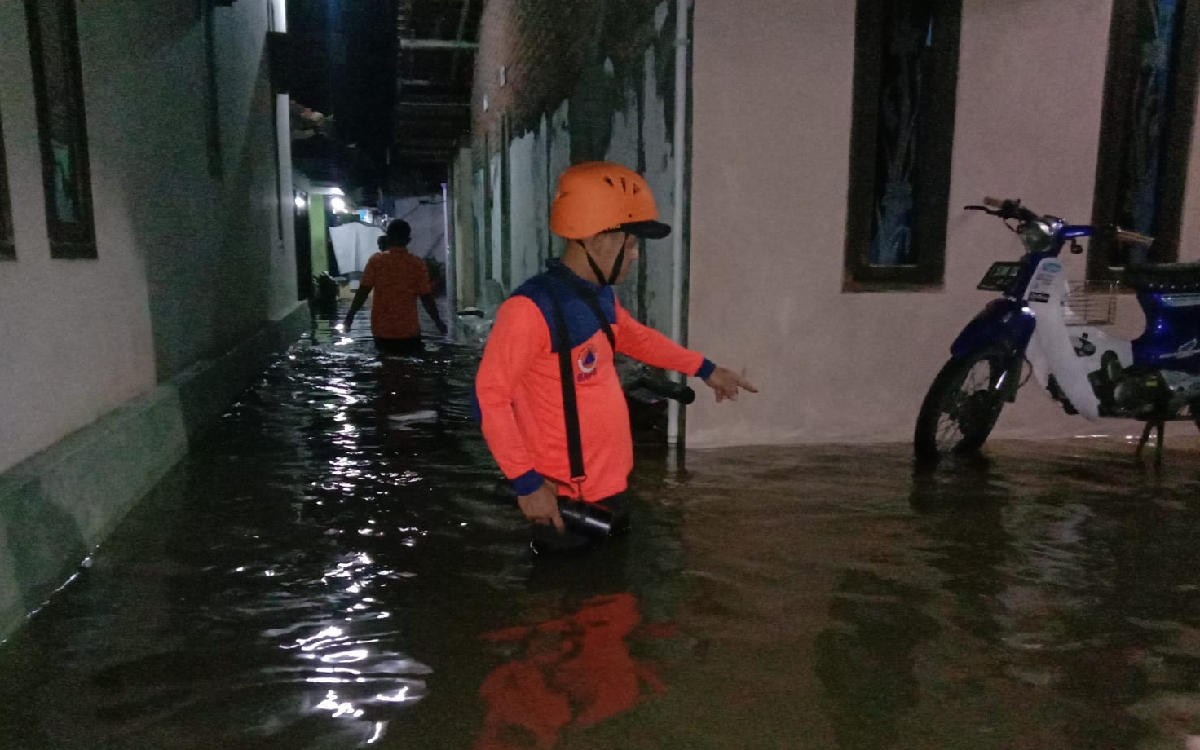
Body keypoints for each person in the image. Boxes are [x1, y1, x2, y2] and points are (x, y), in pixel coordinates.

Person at [474, 161, 757, 553]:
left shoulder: (596, 295)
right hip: (563, 502)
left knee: (613, 601)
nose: (636, 255)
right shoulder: (530, 310)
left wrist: (705, 370)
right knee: (563, 607)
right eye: (633, 242)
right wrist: (526, 483)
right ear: (600, 239)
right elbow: (489, 397)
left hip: (608, 489)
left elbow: (636, 338)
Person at [342, 219, 448, 355]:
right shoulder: (416, 264)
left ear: (388, 238)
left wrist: (350, 316)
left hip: (382, 330)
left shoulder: (376, 262)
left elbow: (363, 292)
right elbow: (426, 298)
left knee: (384, 366)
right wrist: (438, 322)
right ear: (408, 240)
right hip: (408, 330)